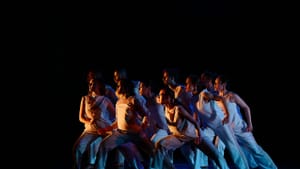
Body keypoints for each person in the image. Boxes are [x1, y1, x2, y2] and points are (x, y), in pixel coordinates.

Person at [155, 87, 230, 169]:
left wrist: (198, 134)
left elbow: (194, 122)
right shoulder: (165, 108)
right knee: (160, 145)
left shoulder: (179, 109)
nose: (159, 97)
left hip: (194, 135)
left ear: (168, 97)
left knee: (216, 156)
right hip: (180, 137)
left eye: (161, 95)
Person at [214, 74, 278, 169]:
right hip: (226, 130)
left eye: (216, 83)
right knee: (217, 148)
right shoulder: (215, 98)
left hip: (240, 128)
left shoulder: (232, 96)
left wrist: (250, 124)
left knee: (255, 150)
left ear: (223, 84)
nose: (214, 85)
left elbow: (246, 108)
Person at [194, 70, 250, 169]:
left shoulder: (207, 93)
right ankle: (202, 166)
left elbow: (222, 99)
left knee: (232, 147)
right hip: (211, 126)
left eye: (203, 80)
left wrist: (227, 115)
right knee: (202, 141)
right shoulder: (197, 98)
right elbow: (196, 115)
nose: (200, 81)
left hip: (221, 124)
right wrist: (197, 130)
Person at [94, 79, 155, 169]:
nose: (117, 88)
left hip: (134, 134)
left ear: (125, 87)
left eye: (119, 86)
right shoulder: (118, 102)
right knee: (103, 146)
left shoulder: (132, 100)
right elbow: (118, 122)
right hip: (121, 134)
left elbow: (145, 116)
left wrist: (142, 127)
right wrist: (105, 129)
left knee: (152, 151)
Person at [72, 78, 116, 169]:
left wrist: (111, 126)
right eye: (90, 84)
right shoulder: (85, 98)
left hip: (103, 129)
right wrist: (89, 121)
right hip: (90, 129)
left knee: (121, 146)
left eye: (93, 84)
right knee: (77, 149)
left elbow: (116, 115)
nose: (91, 86)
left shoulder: (105, 99)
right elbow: (81, 118)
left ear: (99, 85)